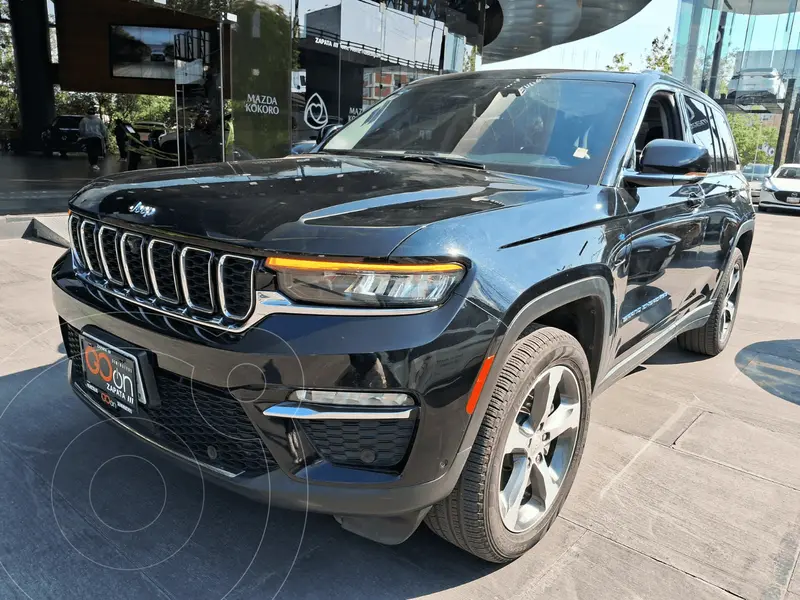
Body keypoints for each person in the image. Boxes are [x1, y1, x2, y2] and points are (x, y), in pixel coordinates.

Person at [79, 106, 107, 172]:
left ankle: (92, 163)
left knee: (90, 151)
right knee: (96, 151)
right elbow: (103, 129)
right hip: (97, 137)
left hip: (88, 138)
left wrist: (82, 136)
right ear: (94, 113)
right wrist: (104, 136)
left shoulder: (84, 120)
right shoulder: (98, 120)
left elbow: (81, 130)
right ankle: (95, 164)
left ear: (87, 113)